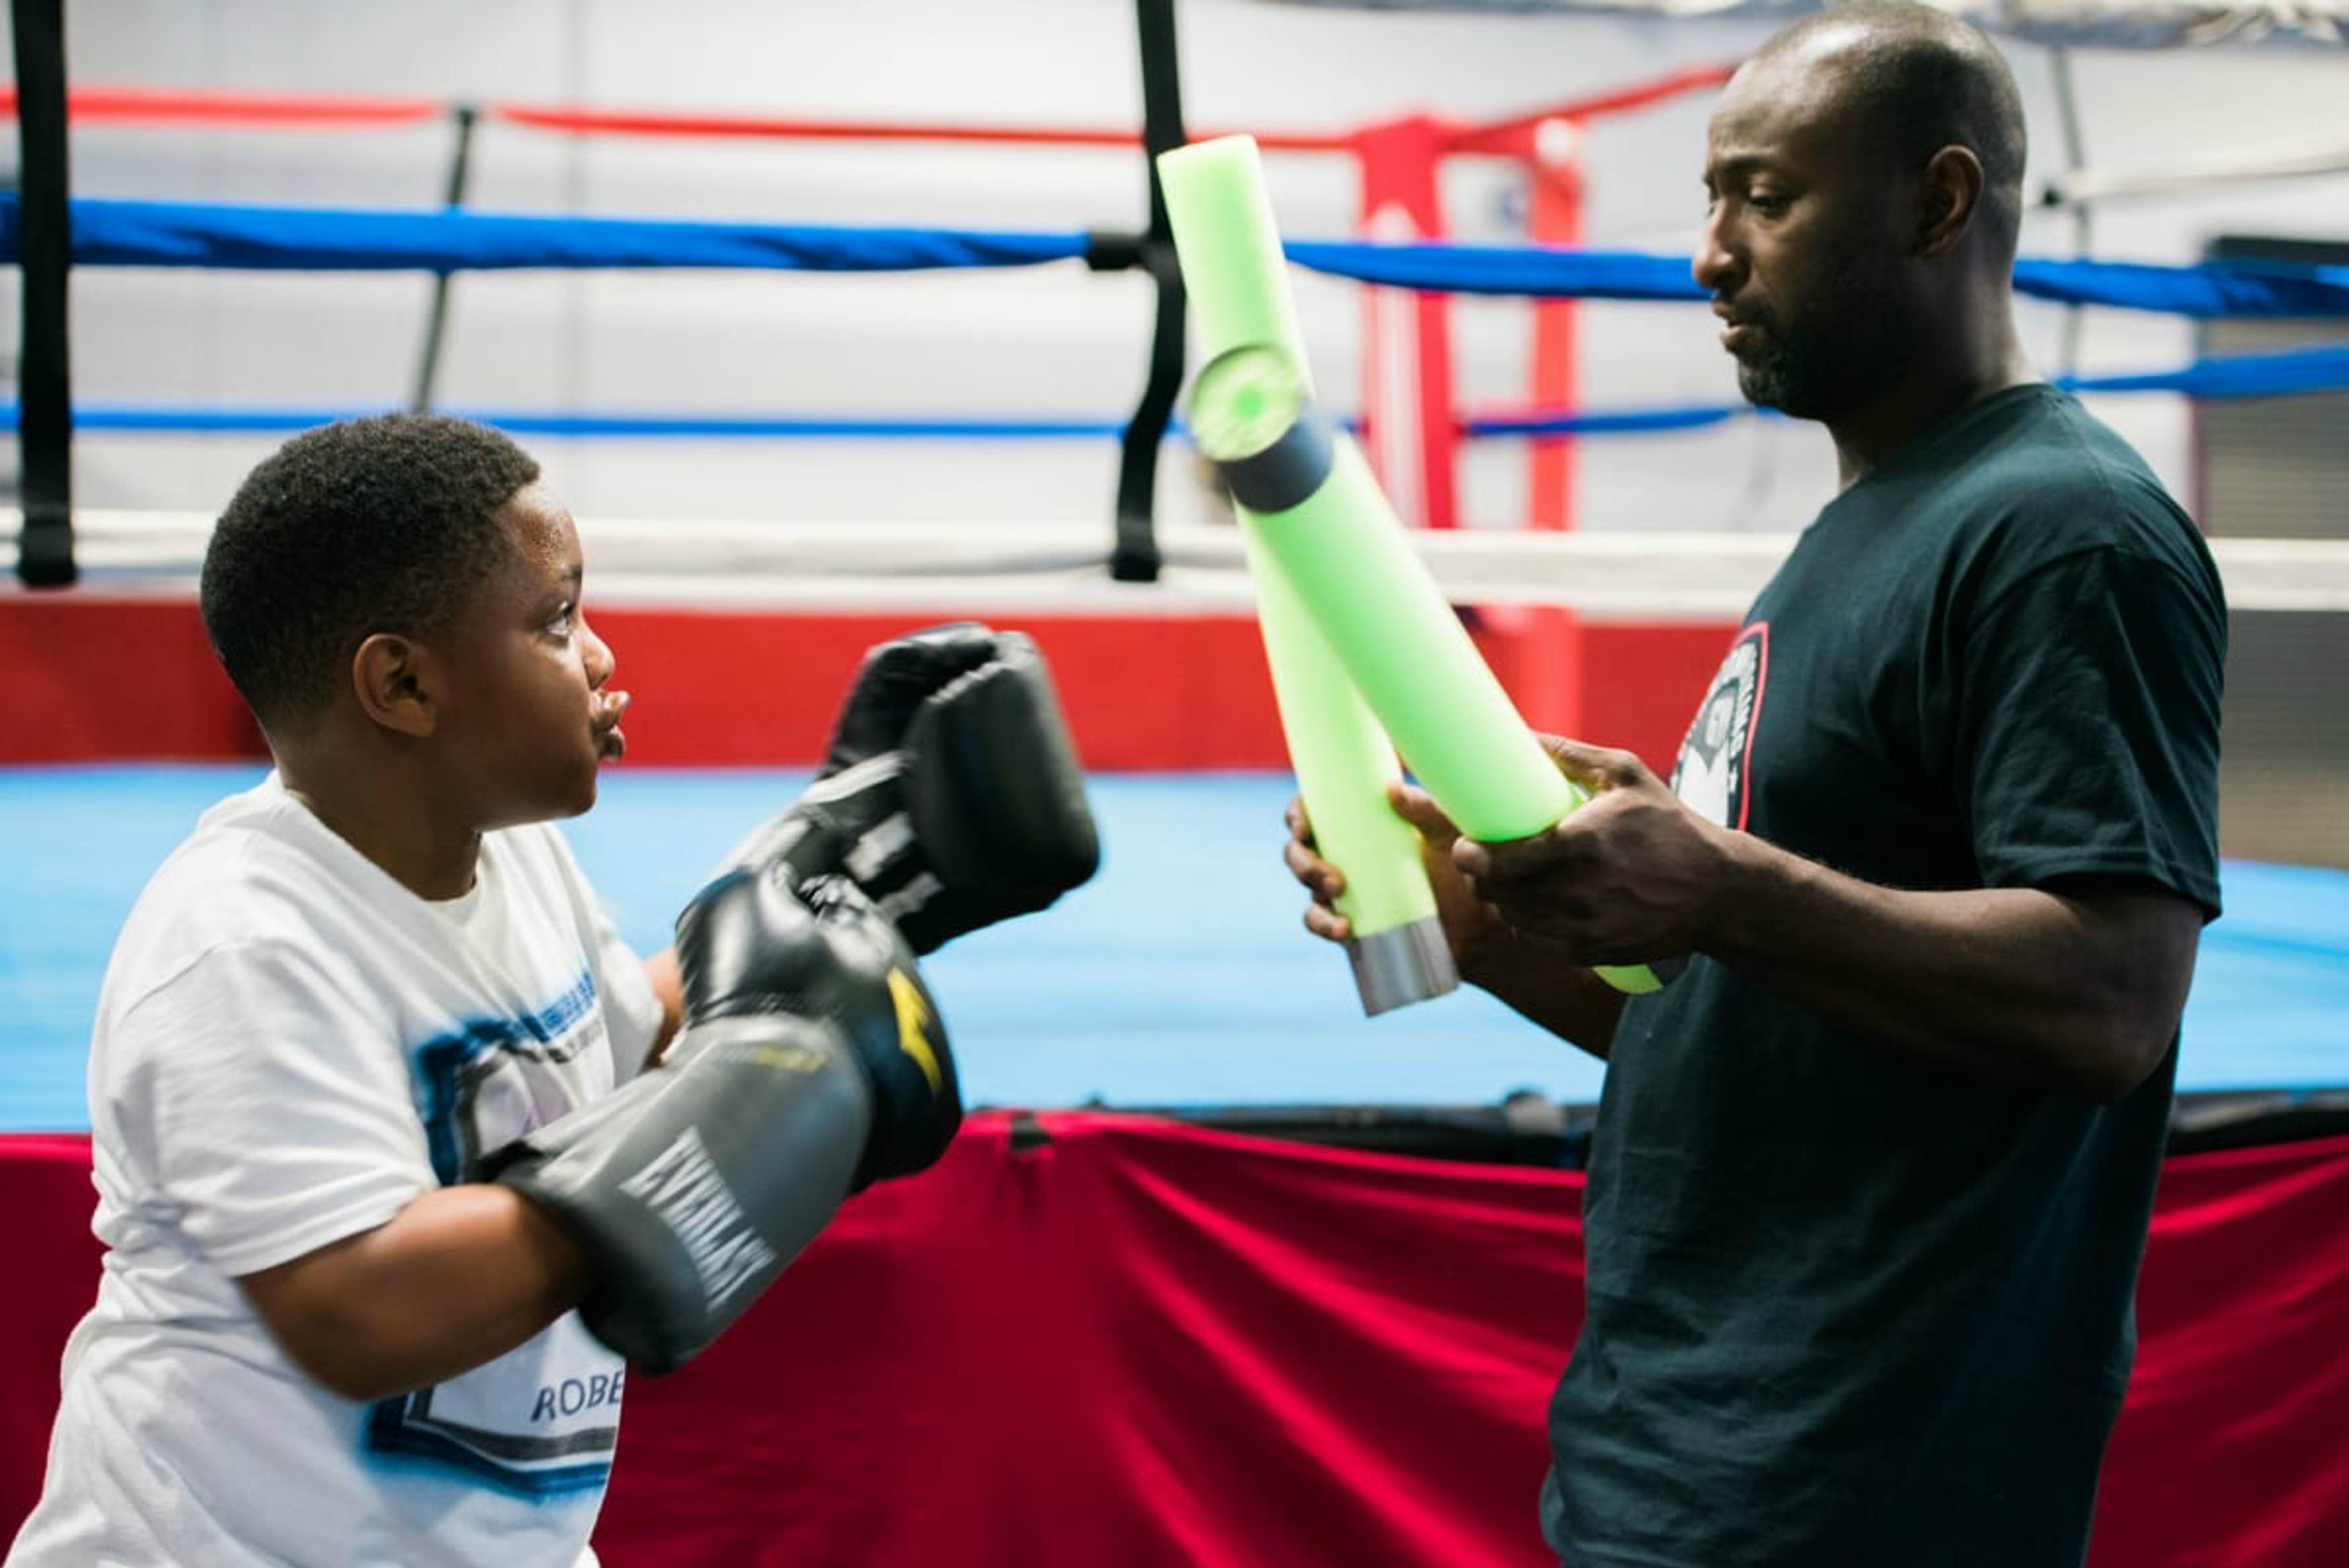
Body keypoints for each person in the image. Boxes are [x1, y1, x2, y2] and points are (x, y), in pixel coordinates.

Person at [1285, 6, 2224, 1566]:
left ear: (1937, 204)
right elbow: (1749, 1022)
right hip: (1690, 1441)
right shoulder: (1862, 532)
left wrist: (1716, 877)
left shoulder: (2065, 531)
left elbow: (2109, 1001)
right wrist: (1484, 920)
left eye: (1765, 199)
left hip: (1862, 1475)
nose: (1711, 253)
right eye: (1712, 199)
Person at [6, 414, 1096, 1567]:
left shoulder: (507, 852)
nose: (602, 656)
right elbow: (360, 1310)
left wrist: (828, 884)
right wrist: (716, 1135)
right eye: (558, 618)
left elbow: (610, 1048)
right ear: (404, 683)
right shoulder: (244, 944)